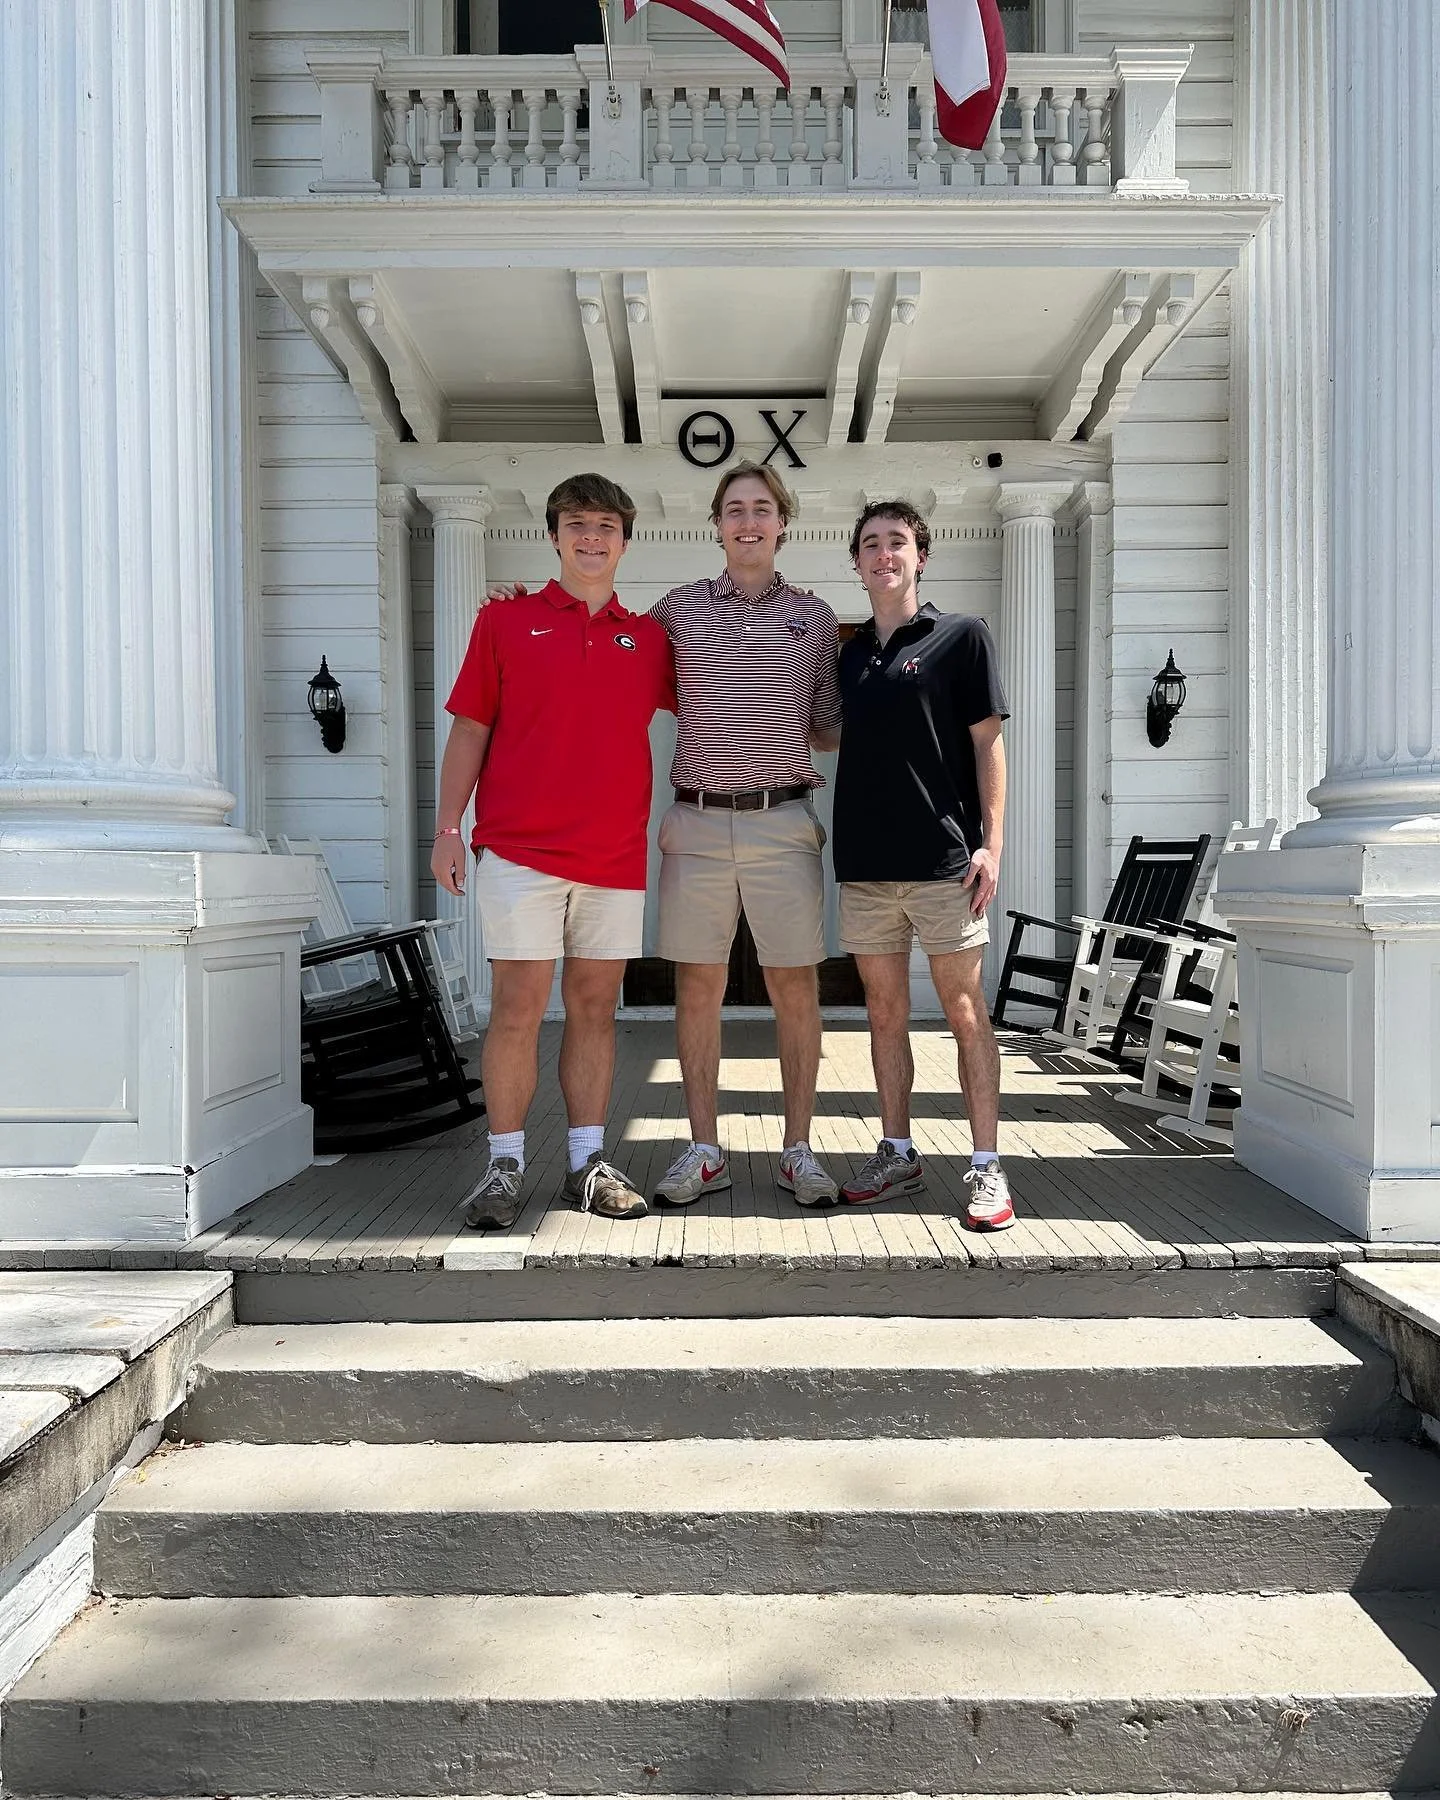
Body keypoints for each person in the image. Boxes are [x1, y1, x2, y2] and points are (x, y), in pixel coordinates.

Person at [431, 473, 676, 1230]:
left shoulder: (651, 639)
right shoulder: (505, 622)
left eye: (606, 526)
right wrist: (447, 827)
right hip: (519, 850)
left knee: (596, 1009)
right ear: (555, 535)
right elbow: (470, 727)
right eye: (577, 524)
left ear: (625, 541)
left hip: (612, 856)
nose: (592, 539)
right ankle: (504, 1164)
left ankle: (585, 1164)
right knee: (517, 1008)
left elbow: (720, 694)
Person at [649, 462, 844, 1210]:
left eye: (762, 508)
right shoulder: (677, 610)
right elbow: (616, 657)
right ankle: (705, 1150)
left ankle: (799, 1149)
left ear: (783, 522)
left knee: (793, 985)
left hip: (784, 821)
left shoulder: (817, 618)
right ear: (718, 524)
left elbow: (828, 729)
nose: (748, 521)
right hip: (695, 820)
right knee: (697, 986)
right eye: (734, 509)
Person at [831, 498, 1016, 1231]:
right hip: (866, 867)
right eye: (871, 543)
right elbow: (825, 735)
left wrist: (991, 846)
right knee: (883, 1014)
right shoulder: (849, 655)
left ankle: (986, 1168)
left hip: (945, 865)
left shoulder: (961, 637)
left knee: (966, 1015)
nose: (884, 554)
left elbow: (987, 746)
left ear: (921, 556)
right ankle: (898, 1152)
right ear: (856, 561)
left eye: (897, 542)